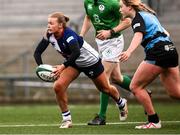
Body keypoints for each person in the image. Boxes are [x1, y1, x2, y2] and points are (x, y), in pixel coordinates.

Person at [34, 12, 127, 128]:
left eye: (51, 23)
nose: (48, 26)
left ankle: (121, 102)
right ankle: (66, 119)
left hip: (90, 62)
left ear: (60, 25)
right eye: (48, 23)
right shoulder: (49, 35)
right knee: (58, 86)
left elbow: (76, 52)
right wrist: (41, 68)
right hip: (74, 63)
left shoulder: (69, 36)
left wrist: (63, 66)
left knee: (105, 88)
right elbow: (37, 52)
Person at [80, 0, 151, 125]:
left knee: (103, 77)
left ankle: (101, 116)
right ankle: (143, 92)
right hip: (101, 43)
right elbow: (88, 17)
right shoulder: (88, 2)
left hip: (114, 42)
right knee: (117, 78)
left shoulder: (112, 3)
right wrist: (80, 36)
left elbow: (128, 21)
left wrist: (110, 32)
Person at [119, 0, 180, 129]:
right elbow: (166, 33)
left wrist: (129, 51)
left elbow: (138, 36)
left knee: (135, 87)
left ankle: (154, 121)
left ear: (129, 7)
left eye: (121, 7)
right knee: (175, 92)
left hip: (158, 53)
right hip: (171, 50)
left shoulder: (137, 18)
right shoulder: (149, 15)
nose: (119, 10)